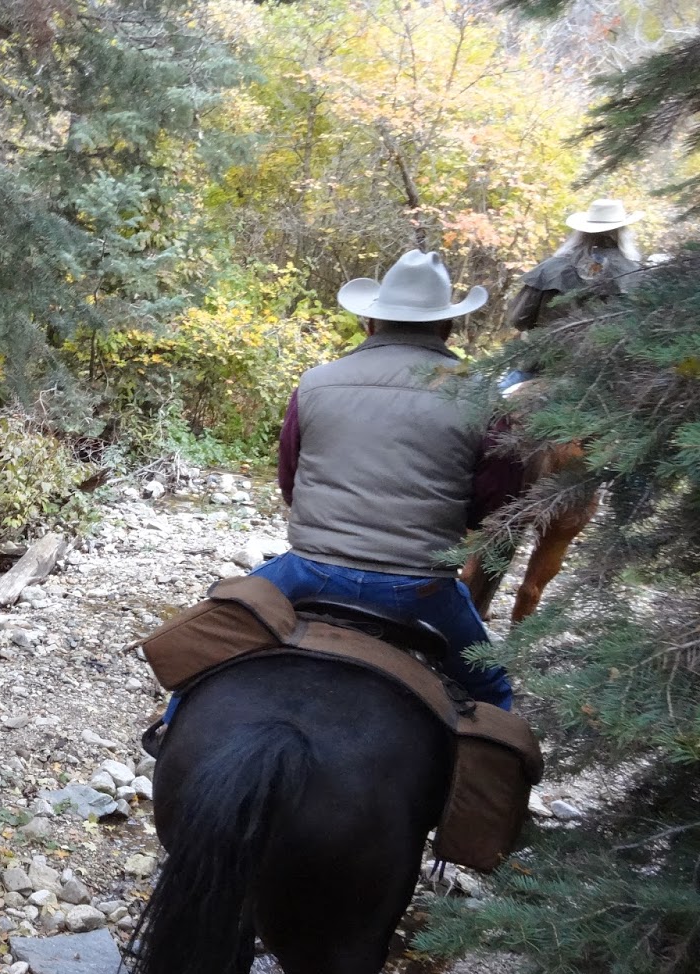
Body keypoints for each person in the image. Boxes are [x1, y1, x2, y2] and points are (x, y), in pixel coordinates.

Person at [156, 249, 520, 740]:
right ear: (447, 329)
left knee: (209, 640)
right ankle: (489, 807)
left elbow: (290, 485)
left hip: (309, 572)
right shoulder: (482, 397)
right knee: (493, 688)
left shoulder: (316, 383)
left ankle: (169, 732)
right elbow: (494, 505)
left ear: (370, 321)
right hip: (423, 589)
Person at [507, 198, 643, 332]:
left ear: (581, 233)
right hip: (613, 353)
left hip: (552, 349)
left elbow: (519, 318)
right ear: (623, 233)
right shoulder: (635, 272)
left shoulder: (550, 268)